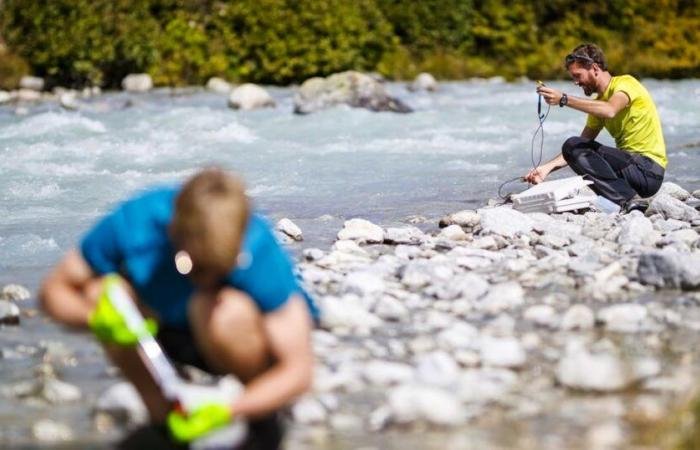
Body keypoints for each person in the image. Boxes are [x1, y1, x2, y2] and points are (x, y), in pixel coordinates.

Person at [39, 168, 317, 446]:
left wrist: (229, 410)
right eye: (192, 266)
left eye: (218, 269)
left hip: (226, 335)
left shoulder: (257, 245)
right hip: (157, 332)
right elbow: (54, 291)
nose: (204, 279)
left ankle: (261, 419)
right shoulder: (137, 223)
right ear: (173, 231)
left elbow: (298, 369)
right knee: (101, 293)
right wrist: (95, 318)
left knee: (226, 310)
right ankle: (165, 423)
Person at [524, 43, 666, 209]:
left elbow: (611, 110)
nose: (576, 82)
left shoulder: (626, 83)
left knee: (572, 144)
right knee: (574, 147)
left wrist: (564, 99)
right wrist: (547, 168)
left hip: (648, 170)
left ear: (595, 68)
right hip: (630, 173)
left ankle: (629, 201)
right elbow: (579, 146)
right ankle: (628, 202)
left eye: (578, 75)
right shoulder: (598, 104)